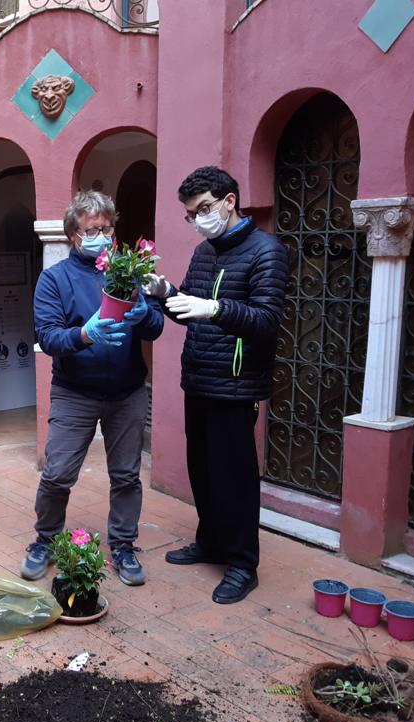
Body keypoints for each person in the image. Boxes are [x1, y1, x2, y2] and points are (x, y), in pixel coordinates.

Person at [145, 166, 287, 604]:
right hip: (199, 379)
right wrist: (163, 291)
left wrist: (217, 308)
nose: (198, 219)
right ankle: (209, 542)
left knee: (235, 479)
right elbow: (188, 307)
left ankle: (243, 564)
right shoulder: (205, 252)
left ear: (230, 201)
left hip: (236, 385)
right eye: (191, 214)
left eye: (204, 208)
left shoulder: (267, 252)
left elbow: (266, 322)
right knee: (203, 472)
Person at [21, 191, 164, 586]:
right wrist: (85, 334)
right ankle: (44, 540)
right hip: (75, 392)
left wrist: (143, 315)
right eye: (91, 230)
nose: (100, 235)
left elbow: (157, 327)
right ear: (73, 235)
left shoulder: (128, 272)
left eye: (106, 228)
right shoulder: (54, 279)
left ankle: (123, 546)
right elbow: (49, 338)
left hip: (127, 392)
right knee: (57, 473)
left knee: (126, 475)